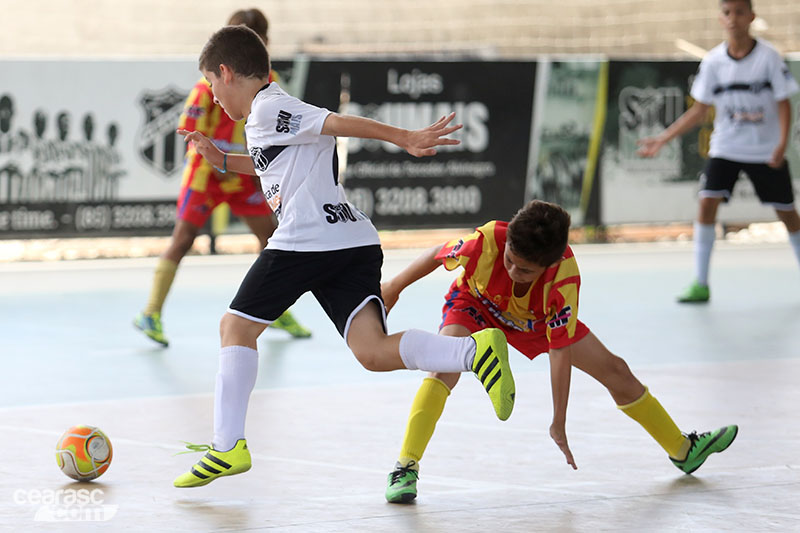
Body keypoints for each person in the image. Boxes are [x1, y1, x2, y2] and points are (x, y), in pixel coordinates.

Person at [171, 25, 517, 488]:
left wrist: (404, 137)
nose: (213, 98)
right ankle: (474, 352)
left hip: (307, 239)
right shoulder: (267, 118)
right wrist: (220, 157)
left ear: (227, 73)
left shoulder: (271, 105)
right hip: (351, 240)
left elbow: (335, 122)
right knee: (372, 352)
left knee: (235, 327)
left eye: (213, 85)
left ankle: (227, 445)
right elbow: (270, 160)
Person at [381, 200, 738, 503]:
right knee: (443, 370)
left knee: (617, 371)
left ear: (549, 265)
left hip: (536, 319)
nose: (512, 270)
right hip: (476, 304)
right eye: (509, 260)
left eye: (525, 269)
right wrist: (394, 286)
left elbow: (560, 352)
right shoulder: (487, 240)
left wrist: (559, 420)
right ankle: (405, 468)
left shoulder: (562, 280)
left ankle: (682, 450)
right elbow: (435, 254)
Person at [133, 8, 311, 346]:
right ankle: (151, 312)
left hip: (243, 174)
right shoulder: (208, 85)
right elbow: (189, 130)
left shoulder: (271, 84)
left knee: (272, 239)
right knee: (183, 239)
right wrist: (221, 154)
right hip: (207, 174)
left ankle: (273, 310)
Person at [637, 0, 800, 303]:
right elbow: (699, 111)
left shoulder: (768, 58)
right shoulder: (713, 62)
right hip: (726, 146)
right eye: (727, 12)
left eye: (739, 12)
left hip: (765, 150)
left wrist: (781, 144)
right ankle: (701, 283)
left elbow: (784, 104)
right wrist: (663, 138)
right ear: (720, 18)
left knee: (787, 213)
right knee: (707, 202)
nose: (733, 18)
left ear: (751, 16)